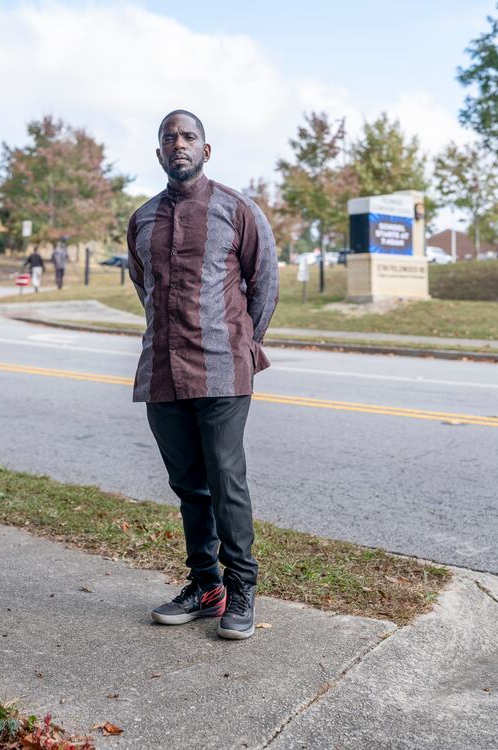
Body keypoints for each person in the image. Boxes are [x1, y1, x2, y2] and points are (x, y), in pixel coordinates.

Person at [127, 110, 279, 640]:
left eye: (188, 137)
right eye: (168, 138)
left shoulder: (237, 210)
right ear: (159, 154)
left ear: (206, 150)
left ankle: (242, 587)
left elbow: (263, 285)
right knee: (189, 485)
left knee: (225, 479)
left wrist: (242, 342)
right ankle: (206, 584)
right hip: (163, 372)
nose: (178, 145)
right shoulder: (143, 219)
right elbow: (145, 286)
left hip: (222, 370)